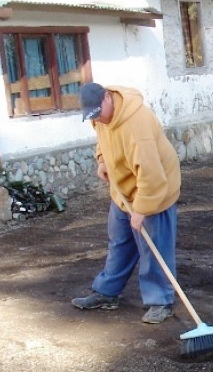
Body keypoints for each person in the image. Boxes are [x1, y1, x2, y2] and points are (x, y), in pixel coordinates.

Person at [71, 82, 182, 324]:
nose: (97, 120)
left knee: (154, 247)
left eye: (98, 113)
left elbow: (152, 174)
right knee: (119, 242)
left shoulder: (136, 123)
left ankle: (160, 301)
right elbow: (102, 137)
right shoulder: (100, 117)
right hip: (124, 190)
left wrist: (142, 209)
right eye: (92, 116)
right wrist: (102, 159)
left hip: (155, 189)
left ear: (108, 98)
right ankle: (107, 292)